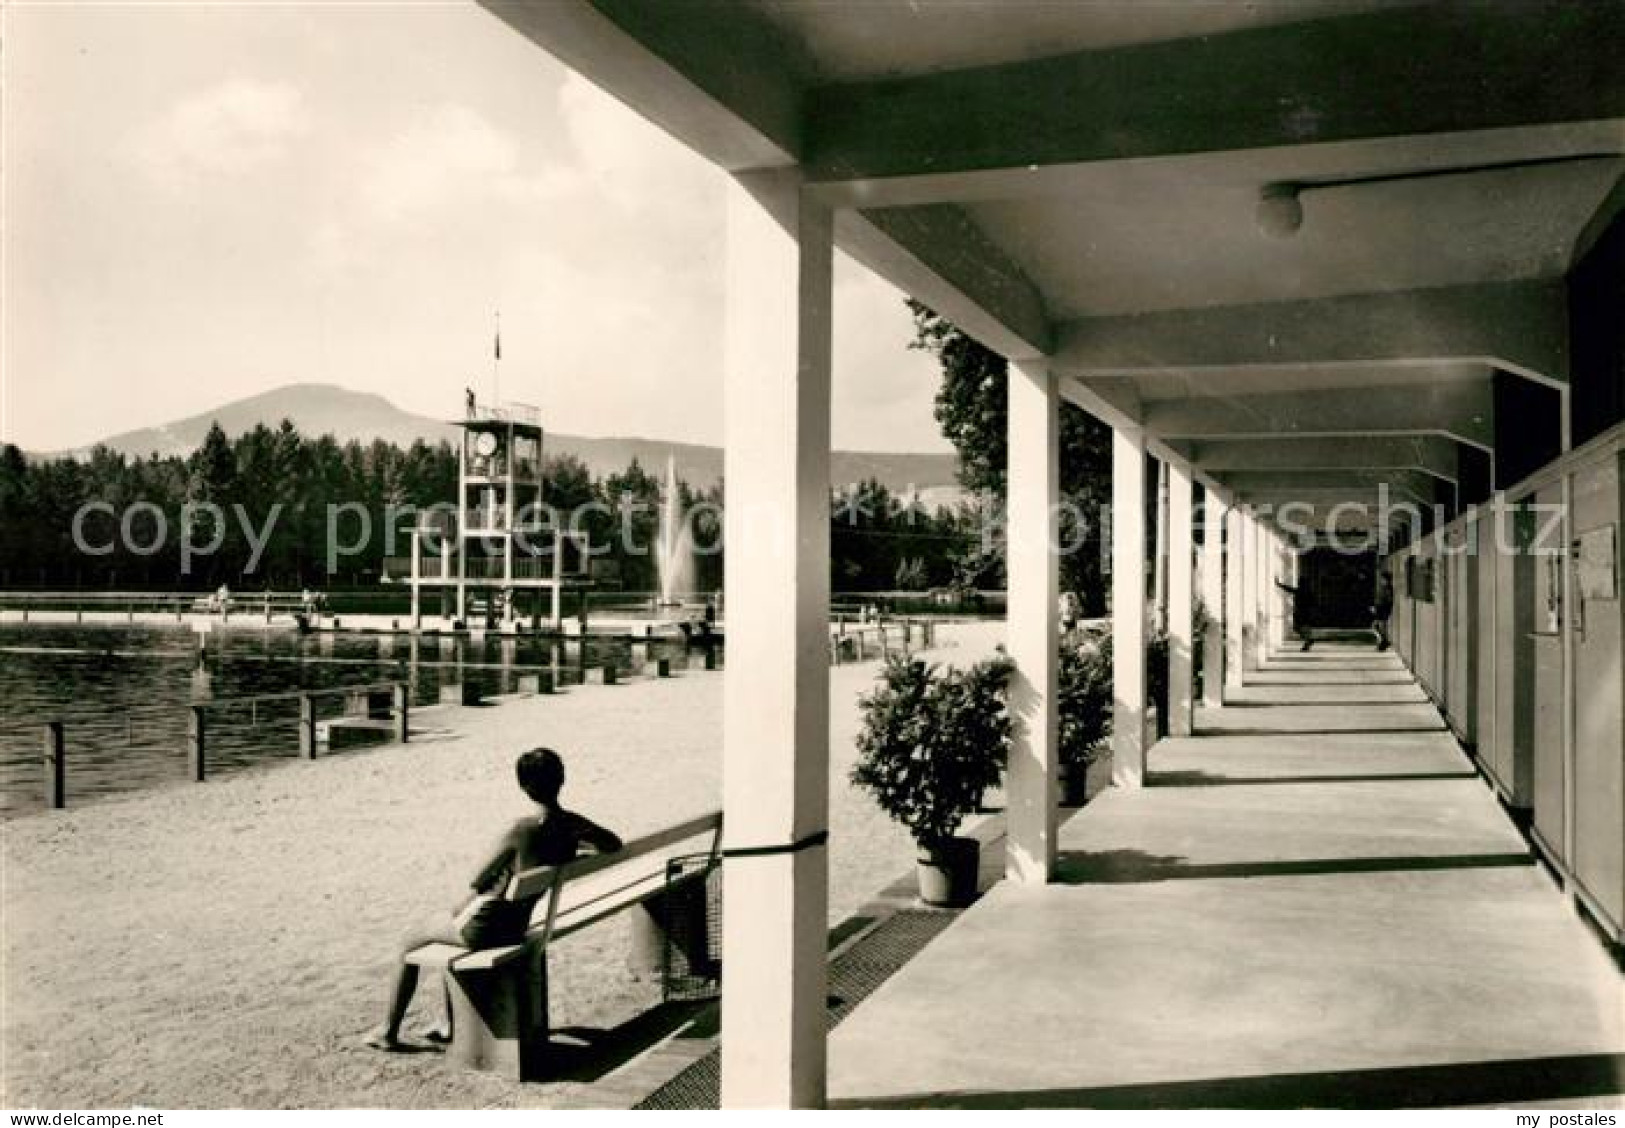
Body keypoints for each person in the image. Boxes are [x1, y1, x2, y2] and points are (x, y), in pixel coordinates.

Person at [364, 748, 621, 1051]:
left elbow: (478, 880)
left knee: (409, 940)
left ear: (523, 787)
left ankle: (387, 1031)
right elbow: (613, 844)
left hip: (485, 928)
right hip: (517, 925)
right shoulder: (574, 824)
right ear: (562, 779)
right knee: (443, 925)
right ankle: (447, 1022)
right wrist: (576, 852)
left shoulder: (518, 830)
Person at [1274, 578, 1313, 651]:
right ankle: (1308, 641)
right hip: (1306, 612)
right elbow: (1313, 603)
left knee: (1297, 628)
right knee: (1304, 627)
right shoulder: (1308, 592)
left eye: (1299, 583)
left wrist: (1279, 584)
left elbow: (1289, 589)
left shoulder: (1299, 591)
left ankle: (1308, 641)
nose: (1298, 584)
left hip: (1300, 612)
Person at [1372, 571, 1395, 652]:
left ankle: (1383, 641)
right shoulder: (1385, 588)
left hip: (1383, 609)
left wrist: (1379, 608)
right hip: (1381, 609)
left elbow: (1388, 600)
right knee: (1377, 627)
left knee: (1377, 626)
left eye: (1383, 579)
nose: (1381, 580)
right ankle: (1383, 641)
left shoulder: (1388, 588)